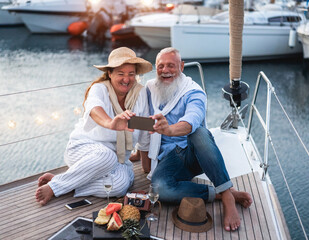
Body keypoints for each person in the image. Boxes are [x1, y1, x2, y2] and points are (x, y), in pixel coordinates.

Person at [146, 47, 253, 231]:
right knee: (158, 190)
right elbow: (145, 127)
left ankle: (227, 195)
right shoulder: (150, 90)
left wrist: (169, 130)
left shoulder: (195, 93)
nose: (165, 70)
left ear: (182, 66)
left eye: (171, 65)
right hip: (168, 160)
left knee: (199, 132)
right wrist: (142, 157)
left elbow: (190, 123)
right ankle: (219, 194)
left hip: (191, 153)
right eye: (160, 66)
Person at [35, 47, 152, 206]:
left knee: (120, 186)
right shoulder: (100, 89)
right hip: (85, 149)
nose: (127, 79)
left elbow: (143, 126)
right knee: (107, 157)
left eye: (131, 74)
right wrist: (111, 123)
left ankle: (63, 182)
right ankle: (55, 187)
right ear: (110, 73)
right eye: (121, 73)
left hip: (119, 158)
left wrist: (147, 166)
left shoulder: (141, 93)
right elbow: (94, 109)